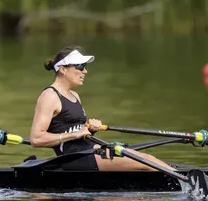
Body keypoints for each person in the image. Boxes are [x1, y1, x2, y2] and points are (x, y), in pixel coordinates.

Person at [29, 45, 175, 171]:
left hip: (90, 149)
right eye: (80, 66)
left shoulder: (74, 95)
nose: (85, 71)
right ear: (62, 70)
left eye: (85, 67)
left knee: (146, 160)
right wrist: (75, 134)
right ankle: (185, 181)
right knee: (145, 161)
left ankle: (178, 176)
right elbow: (36, 138)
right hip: (74, 158)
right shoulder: (49, 96)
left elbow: (73, 128)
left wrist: (90, 129)